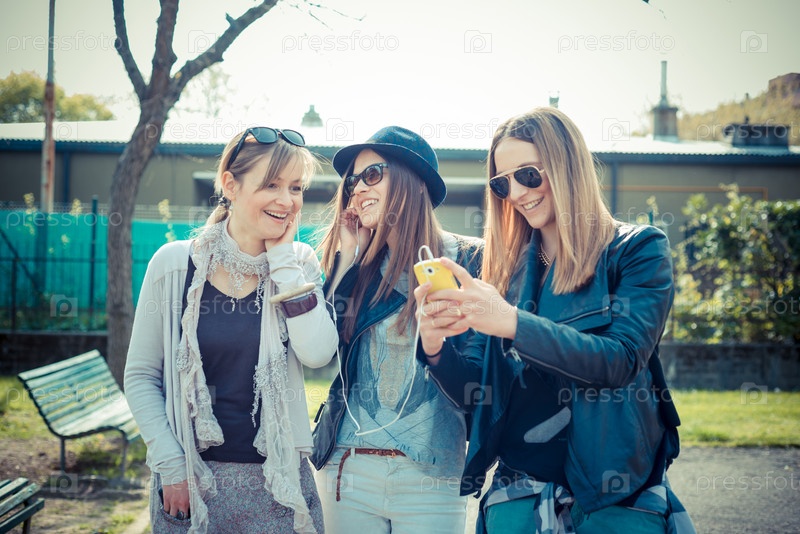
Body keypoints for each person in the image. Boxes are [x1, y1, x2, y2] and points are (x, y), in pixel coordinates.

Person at [415, 108, 695, 533]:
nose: (516, 193)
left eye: (528, 175)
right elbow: (479, 395)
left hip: (614, 496)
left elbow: (619, 360)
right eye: (502, 183)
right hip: (517, 497)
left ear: (567, 166)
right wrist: (434, 348)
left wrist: (512, 323)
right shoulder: (502, 273)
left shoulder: (637, 250)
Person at [124, 127, 338, 533]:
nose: (287, 200)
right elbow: (141, 377)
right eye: (271, 184)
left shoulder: (299, 263)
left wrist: (282, 260)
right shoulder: (173, 265)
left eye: (295, 187)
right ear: (230, 184)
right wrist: (171, 467)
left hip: (279, 485)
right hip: (192, 483)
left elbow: (317, 353)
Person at [310, 126, 483, 534]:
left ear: (412, 181)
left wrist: (436, 347)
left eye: (372, 175)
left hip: (432, 475)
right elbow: (318, 350)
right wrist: (346, 262)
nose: (357, 189)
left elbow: (476, 387)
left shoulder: (469, 260)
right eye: (352, 181)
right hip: (348, 469)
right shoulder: (355, 267)